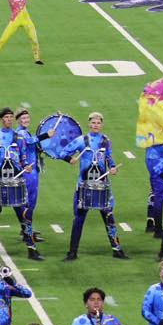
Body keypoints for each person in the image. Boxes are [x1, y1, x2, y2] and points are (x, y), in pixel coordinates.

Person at [56, 112, 128, 261]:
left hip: (102, 185)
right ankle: (72, 252)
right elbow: (62, 152)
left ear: (102, 125)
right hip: (84, 186)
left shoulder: (106, 141)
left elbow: (109, 158)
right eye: (93, 123)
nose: (96, 125)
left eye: (98, 123)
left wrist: (113, 168)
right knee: (79, 219)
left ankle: (117, 249)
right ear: (89, 124)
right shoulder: (81, 140)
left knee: (109, 217)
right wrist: (70, 159)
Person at [0, 109, 42, 261]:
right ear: (1, 120)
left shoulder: (19, 138)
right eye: (6, 117)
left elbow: (23, 159)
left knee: (24, 216)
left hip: (16, 182)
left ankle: (32, 250)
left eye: (11, 117)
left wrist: (26, 166)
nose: (9, 120)